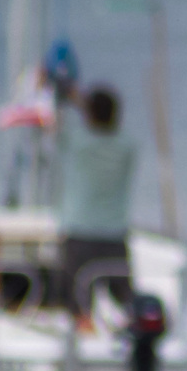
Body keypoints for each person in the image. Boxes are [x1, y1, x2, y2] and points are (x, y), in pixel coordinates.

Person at [57, 82, 136, 330]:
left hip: (79, 234)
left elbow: (54, 123)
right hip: (114, 236)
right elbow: (101, 121)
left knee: (77, 305)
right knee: (124, 299)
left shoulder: (78, 143)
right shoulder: (128, 147)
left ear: (88, 114)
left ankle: (84, 335)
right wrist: (86, 104)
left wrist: (71, 97)